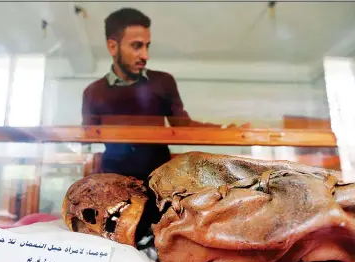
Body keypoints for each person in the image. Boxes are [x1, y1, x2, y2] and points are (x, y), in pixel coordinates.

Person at [82, 7, 249, 181]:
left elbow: (183, 125)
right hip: (113, 182)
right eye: (136, 46)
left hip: (158, 181)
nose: (145, 55)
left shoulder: (163, 82)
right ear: (113, 47)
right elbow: (85, 138)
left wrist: (224, 131)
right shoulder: (93, 92)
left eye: (147, 46)